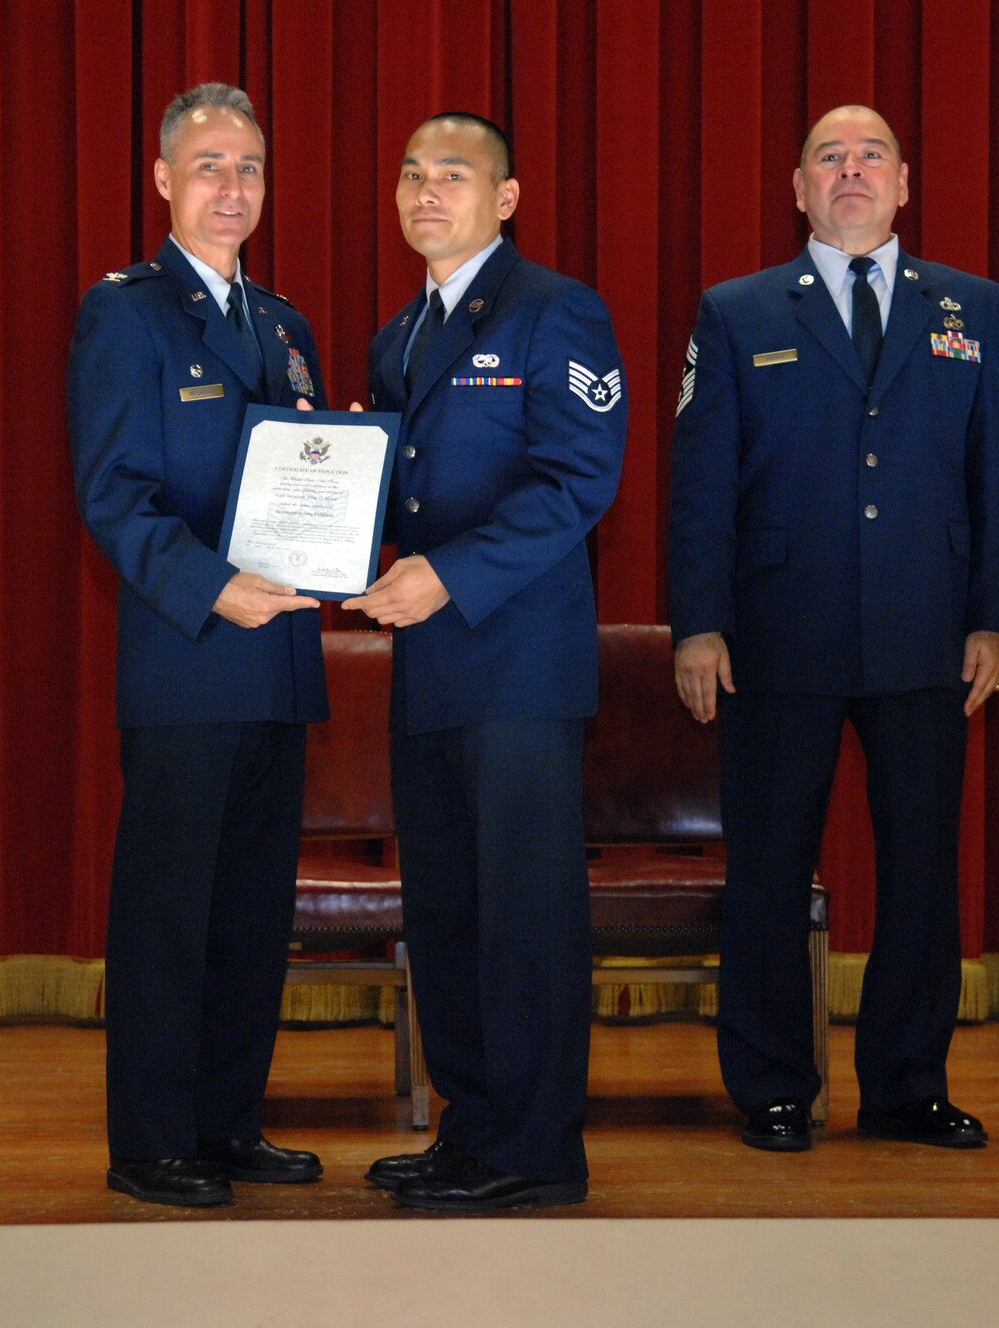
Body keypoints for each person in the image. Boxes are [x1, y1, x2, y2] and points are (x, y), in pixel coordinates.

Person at [666, 105, 999, 1152]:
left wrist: (991, 619)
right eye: (830, 157)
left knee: (921, 868)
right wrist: (699, 624)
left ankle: (908, 1084)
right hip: (778, 634)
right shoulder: (735, 312)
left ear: (904, 184)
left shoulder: (970, 307)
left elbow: (997, 477)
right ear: (797, 187)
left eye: (871, 157)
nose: (851, 171)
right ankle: (773, 1084)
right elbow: (699, 491)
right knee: (769, 868)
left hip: (926, 633)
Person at [344, 112, 628, 1211]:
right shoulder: (398, 336)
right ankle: (470, 1127)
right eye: (409, 173)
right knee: (450, 910)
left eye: (451, 175)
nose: (424, 191)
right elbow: (385, 493)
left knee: (525, 912)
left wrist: (447, 575)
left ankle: (537, 1145)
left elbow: (576, 479)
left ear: (503, 198)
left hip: (517, 667)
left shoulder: (556, 311)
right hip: (429, 670)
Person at [67, 82, 330, 1207]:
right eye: (212, 166)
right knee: (170, 910)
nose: (234, 188)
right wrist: (215, 587)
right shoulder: (123, 313)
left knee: (250, 910)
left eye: (251, 168)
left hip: (278, 667)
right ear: (165, 181)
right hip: (186, 657)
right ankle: (150, 1138)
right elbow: (113, 495)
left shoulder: (283, 324)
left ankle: (227, 1120)